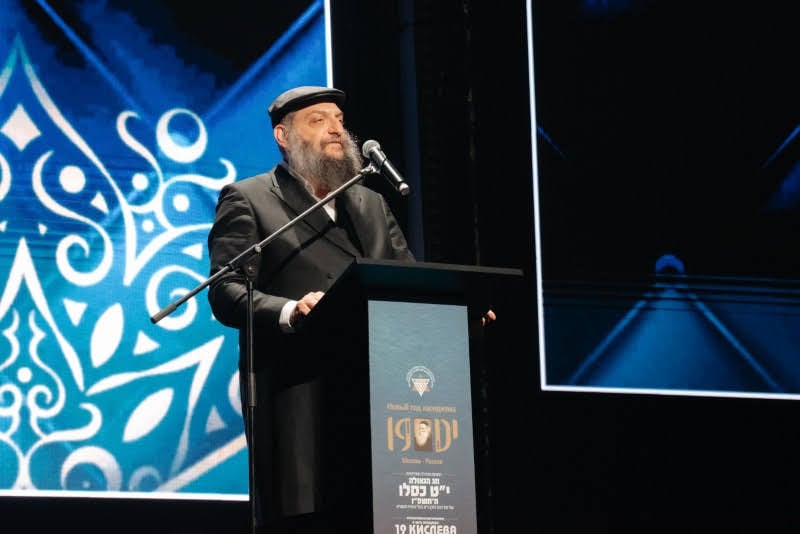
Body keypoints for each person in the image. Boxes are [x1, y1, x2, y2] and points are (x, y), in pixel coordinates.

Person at [207, 85, 495, 533]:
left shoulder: (371, 204)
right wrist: (289, 310)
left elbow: (411, 286)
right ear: (283, 136)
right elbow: (225, 291)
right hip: (302, 399)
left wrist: (455, 322)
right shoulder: (250, 198)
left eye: (339, 120)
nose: (336, 129)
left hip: (384, 406)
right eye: (318, 120)